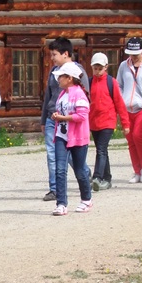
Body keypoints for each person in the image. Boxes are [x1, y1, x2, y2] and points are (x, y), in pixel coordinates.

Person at [40, 38, 87, 202]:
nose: (52, 58)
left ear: (65, 54)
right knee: (52, 155)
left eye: (54, 54)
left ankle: (84, 176)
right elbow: (49, 96)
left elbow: (85, 96)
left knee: (73, 157)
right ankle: (54, 189)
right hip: (53, 118)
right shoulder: (54, 71)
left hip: (71, 121)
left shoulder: (77, 72)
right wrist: (43, 119)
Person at [49, 61, 93, 215]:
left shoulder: (79, 93)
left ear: (69, 78)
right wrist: (57, 116)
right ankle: (61, 203)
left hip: (78, 137)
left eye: (61, 77)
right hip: (61, 135)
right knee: (60, 169)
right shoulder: (63, 94)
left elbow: (82, 115)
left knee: (80, 170)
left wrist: (62, 117)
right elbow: (61, 111)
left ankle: (86, 199)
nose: (58, 79)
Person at [117, 36, 142, 183]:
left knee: (138, 136)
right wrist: (121, 100)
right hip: (126, 108)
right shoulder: (123, 65)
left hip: (141, 107)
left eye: (135, 54)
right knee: (130, 140)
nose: (133, 57)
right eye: (130, 54)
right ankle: (136, 171)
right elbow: (119, 85)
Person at [87, 52, 130, 191]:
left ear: (106, 67)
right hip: (94, 122)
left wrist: (125, 124)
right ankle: (108, 178)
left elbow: (120, 104)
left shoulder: (111, 82)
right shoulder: (89, 82)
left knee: (101, 149)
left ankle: (97, 177)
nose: (97, 71)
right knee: (102, 150)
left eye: (100, 68)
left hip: (108, 122)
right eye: (95, 68)